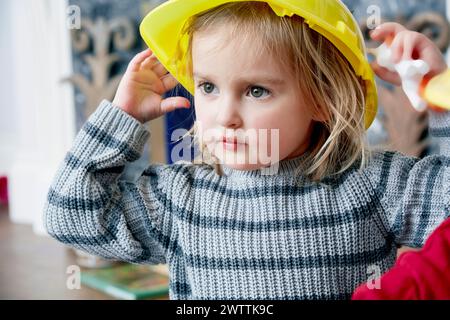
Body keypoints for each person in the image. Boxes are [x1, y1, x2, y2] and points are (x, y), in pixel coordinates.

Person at [44, 1, 449, 300]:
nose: (225, 115)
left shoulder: (370, 183)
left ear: (324, 98)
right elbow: (69, 217)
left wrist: (438, 94)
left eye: (256, 91)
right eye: (208, 87)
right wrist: (121, 117)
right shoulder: (180, 197)